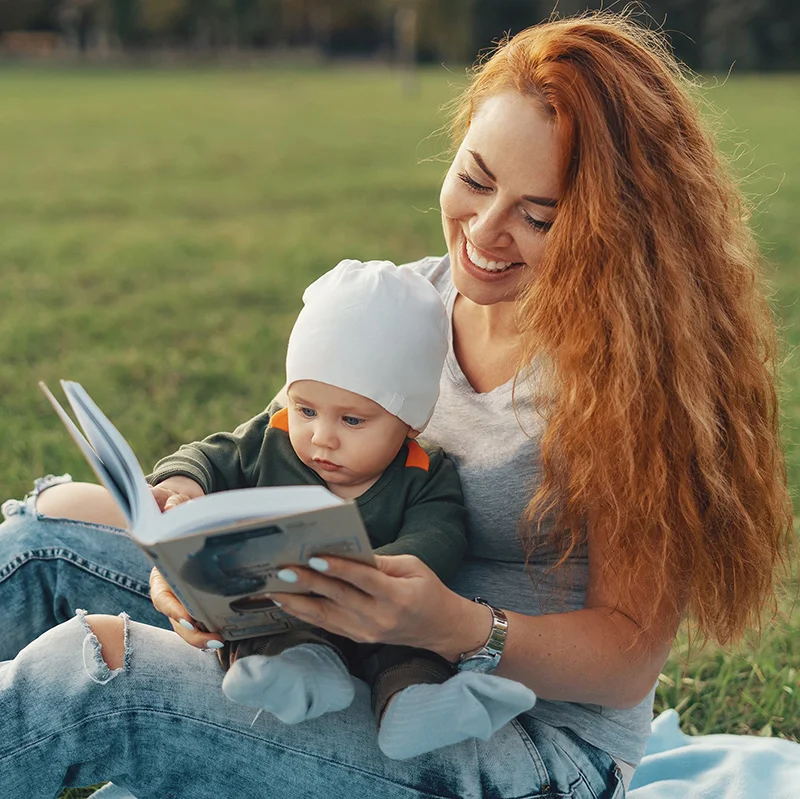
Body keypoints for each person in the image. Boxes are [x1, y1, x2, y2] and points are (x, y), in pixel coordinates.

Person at [0, 11, 792, 799]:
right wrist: (188, 573)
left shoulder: (632, 377)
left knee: (101, 672)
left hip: (521, 739)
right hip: (325, 650)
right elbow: (278, 455)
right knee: (45, 536)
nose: (485, 230)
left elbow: (626, 659)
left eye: (538, 215)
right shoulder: (401, 303)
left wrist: (455, 626)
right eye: (475, 179)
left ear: (613, 227)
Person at [143, 256, 534, 759]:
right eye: (306, 409)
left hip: (381, 619)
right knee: (262, 629)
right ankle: (297, 675)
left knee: (412, 652)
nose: (321, 437)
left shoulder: (423, 472)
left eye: (352, 421)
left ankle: (417, 708)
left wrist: (371, 572)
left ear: (409, 423)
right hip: (288, 613)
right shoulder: (273, 437)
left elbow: (440, 535)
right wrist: (181, 486)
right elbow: (208, 455)